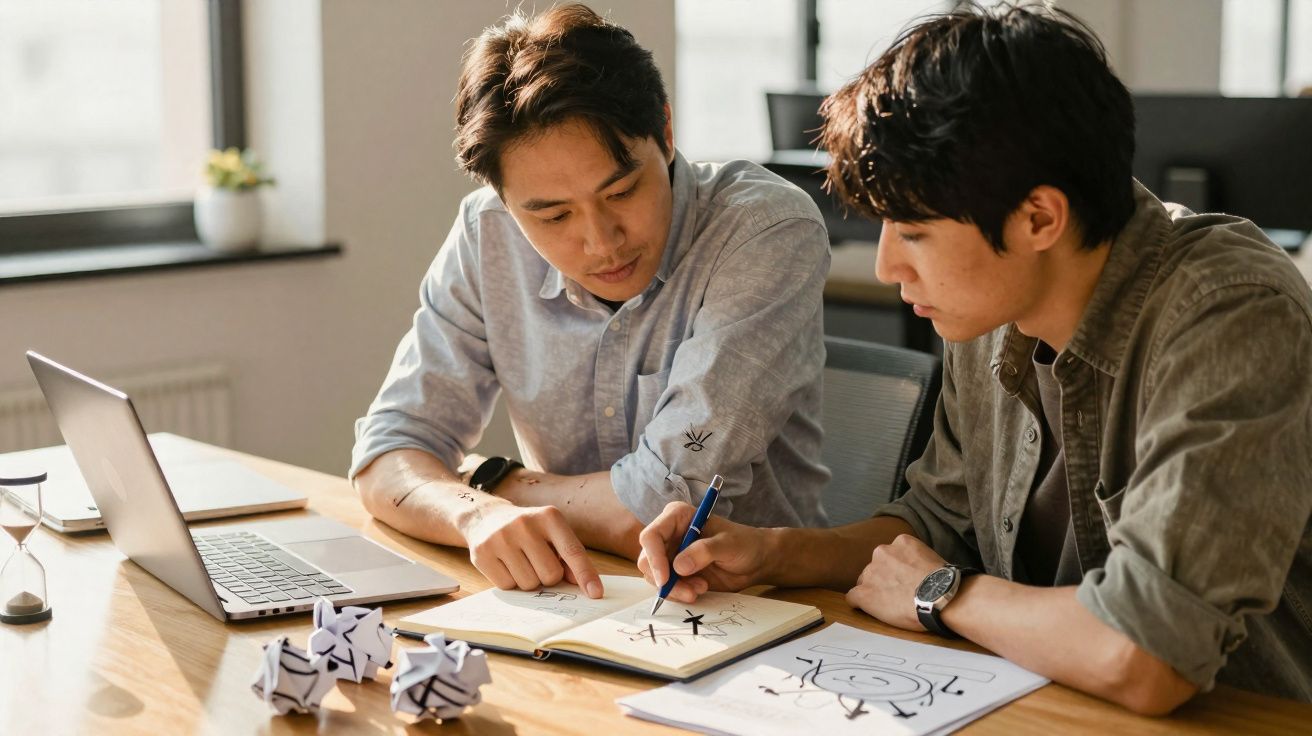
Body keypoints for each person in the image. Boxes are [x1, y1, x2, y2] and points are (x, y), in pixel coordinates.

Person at [637, 2, 1312, 714]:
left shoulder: (1232, 313)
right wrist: (773, 554)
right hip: (1042, 705)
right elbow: (937, 523)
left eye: (914, 232)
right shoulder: (994, 303)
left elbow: (1148, 653)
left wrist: (944, 595)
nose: (889, 266)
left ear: (1039, 218)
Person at [350, 4, 831, 601]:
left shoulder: (762, 229)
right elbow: (386, 453)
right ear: (502, 197)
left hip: (764, 608)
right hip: (570, 594)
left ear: (666, 131)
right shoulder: (487, 232)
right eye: (553, 216)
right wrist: (474, 513)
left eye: (622, 191)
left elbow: (662, 506)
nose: (602, 242)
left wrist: (494, 481)